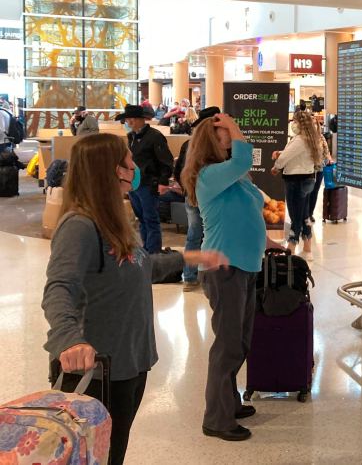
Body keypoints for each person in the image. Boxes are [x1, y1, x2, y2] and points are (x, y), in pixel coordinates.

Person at [41, 133, 227, 465]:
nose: (134, 166)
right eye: (127, 161)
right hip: (94, 371)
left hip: (128, 362)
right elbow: (58, 287)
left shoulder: (114, 220)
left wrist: (189, 258)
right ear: (106, 170)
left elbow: (140, 266)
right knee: (98, 457)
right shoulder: (80, 226)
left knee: (113, 451)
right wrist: (69, 339)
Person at [181, 113, 267, 442]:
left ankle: (229, 402)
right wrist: (232, 123)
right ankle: (216, 418)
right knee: (228, 345)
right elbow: (245, 156)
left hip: (244, 265)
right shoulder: (208, 175)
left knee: (239, 342)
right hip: (224, 269)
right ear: (209, 142)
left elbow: (247, 208)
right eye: (223, 136)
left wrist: (267, 241)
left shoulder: (230, 176)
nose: (229, 140)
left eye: (228, 134)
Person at [172, 106, 219, 291]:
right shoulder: (219, 150)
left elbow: (178, 172)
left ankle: (190, 277)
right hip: (211, 199)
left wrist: (187, 189)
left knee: (194, 235)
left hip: (191, 197)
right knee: (211, 235)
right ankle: (209, 275)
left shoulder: (188, 145)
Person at [116, 104, 173, 254]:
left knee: (150, 219)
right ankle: (147, 250)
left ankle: (153, 253)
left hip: (148, 183)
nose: (129, 122)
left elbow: (165, 161)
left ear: (141, 119)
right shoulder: (131, 137)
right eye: (128, 119)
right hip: (135, 184)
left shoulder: (155, 136)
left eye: (131, 119)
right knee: (141, 219)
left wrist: (163, 181)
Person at [271, 111, 322, 255]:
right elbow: (296, 154)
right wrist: (281, 152)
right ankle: (307, 247)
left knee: (295, 215)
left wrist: (276, 167)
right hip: (308, 178)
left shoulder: (300, 139)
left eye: (294, 121)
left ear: (299, 123)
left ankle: (291, 248)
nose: (293, 124)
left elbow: (286, 157)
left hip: (295, 180)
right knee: (305, 213)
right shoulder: (311, 139)